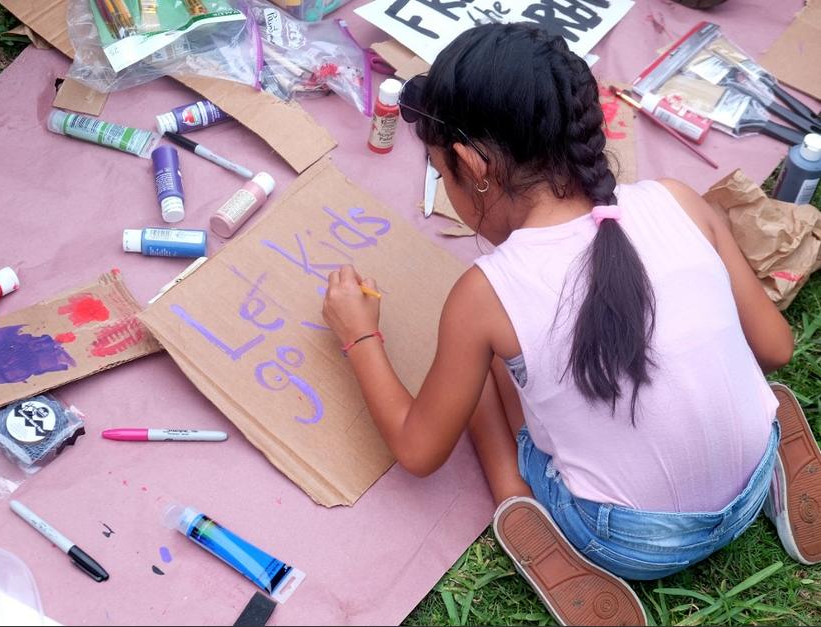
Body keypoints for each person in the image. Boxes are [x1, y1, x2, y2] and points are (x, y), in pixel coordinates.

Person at [322, 23, 819, 626]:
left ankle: (515, 497)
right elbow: (776, 345)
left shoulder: (484, 295)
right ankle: (754, 427)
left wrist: (359, 335)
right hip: (749, 475)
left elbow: (418, 449)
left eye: (438, 172)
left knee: (474, 363)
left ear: (473, 165)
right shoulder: (678, 201)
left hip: (627, 539)